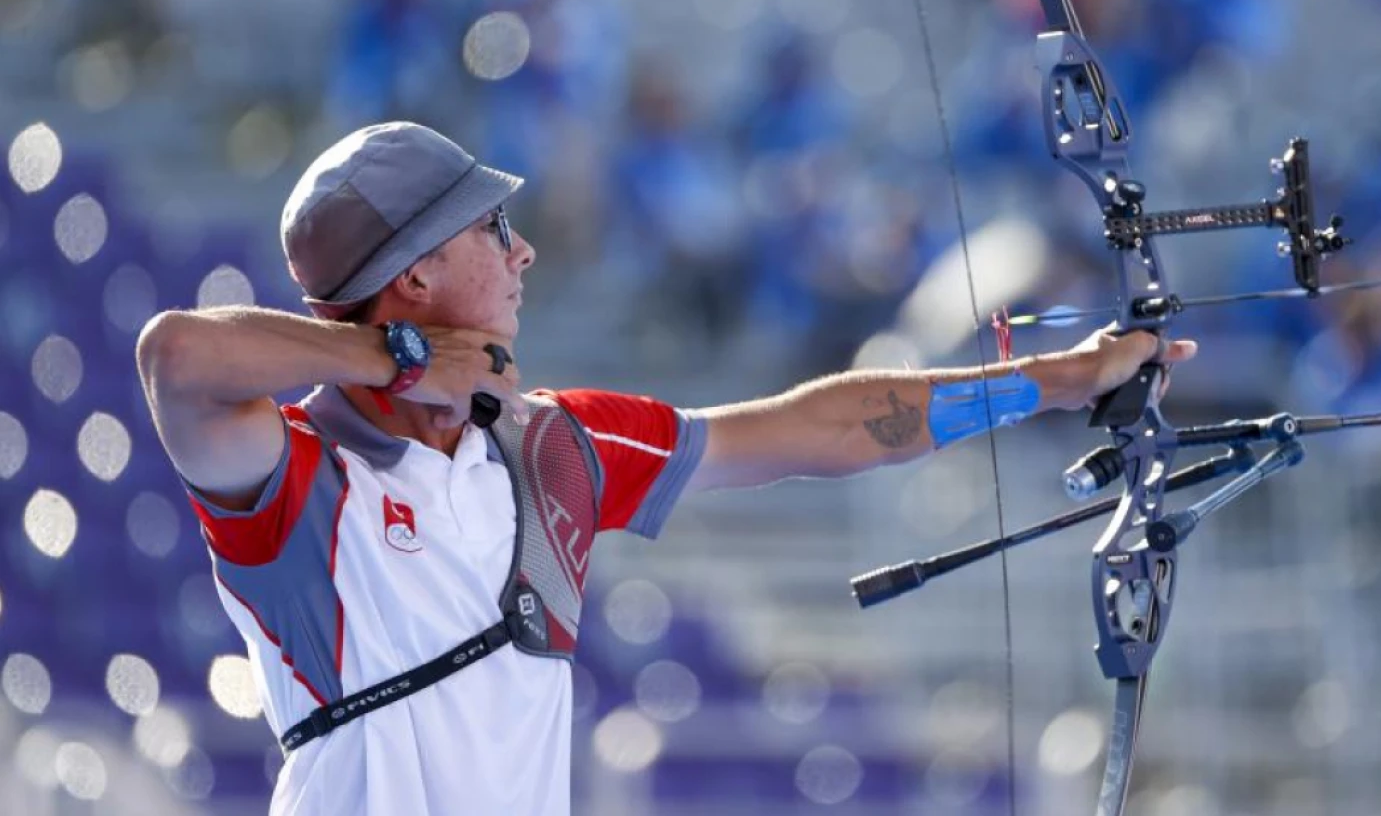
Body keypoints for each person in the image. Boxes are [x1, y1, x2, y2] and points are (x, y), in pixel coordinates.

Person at [134, 122, 1198, 815]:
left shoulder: (552, 445)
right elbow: (176, 354)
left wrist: (1051, 382)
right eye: (493, 227)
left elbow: (814, 429)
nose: (523, 251)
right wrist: (406, 357)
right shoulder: (297, 475)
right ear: (413, 272)